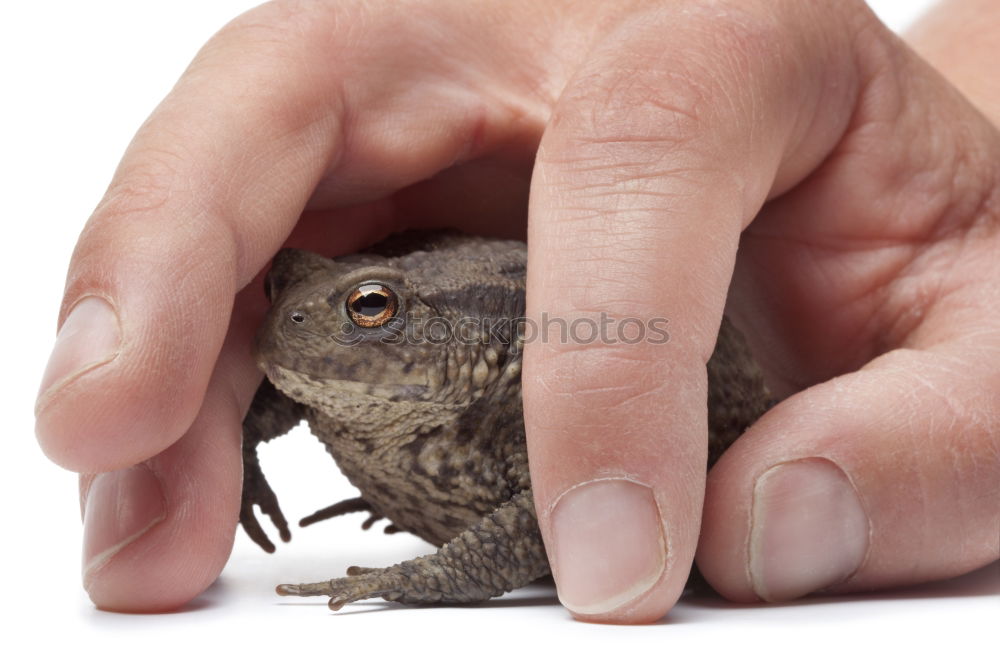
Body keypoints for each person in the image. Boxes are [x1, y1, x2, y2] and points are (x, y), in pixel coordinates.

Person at [34, 0, 999, 623]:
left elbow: (538, 522)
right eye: (288, 287)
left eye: (368, 309)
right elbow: (274, 384)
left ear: (440, 338)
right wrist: (239, 450)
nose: (295, 324)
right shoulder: (317, 383)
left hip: (694, 431)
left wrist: (410, 582)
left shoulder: (509, 412)